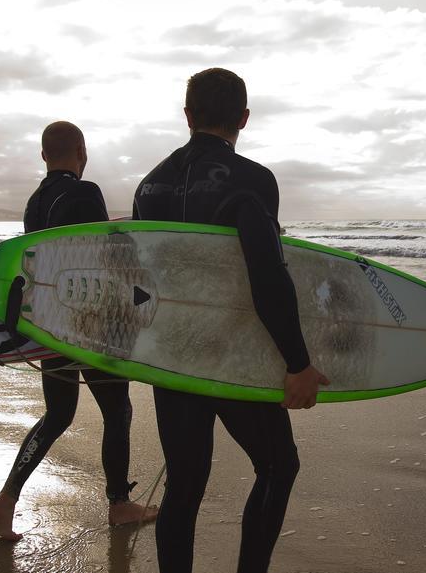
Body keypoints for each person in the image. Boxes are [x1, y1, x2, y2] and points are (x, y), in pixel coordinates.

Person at [132, 69, 330, 573]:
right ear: (244, 117)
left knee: (185, 482)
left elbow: (142, 281)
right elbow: (267, 275)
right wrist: (298, 361)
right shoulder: (252, 181)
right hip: (228, 358)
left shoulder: (148, 186)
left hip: (171, 357)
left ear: (188, 116)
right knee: (278, 465)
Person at [0, 121, 158, 541]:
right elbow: (100, 257)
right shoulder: (85, 192)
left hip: (49, 324)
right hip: (91, 326)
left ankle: (7, 497)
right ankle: (119, 504)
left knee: (58, 414)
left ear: (44, 155)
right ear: (82, 151)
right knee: (117, 411)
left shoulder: (34, 202)